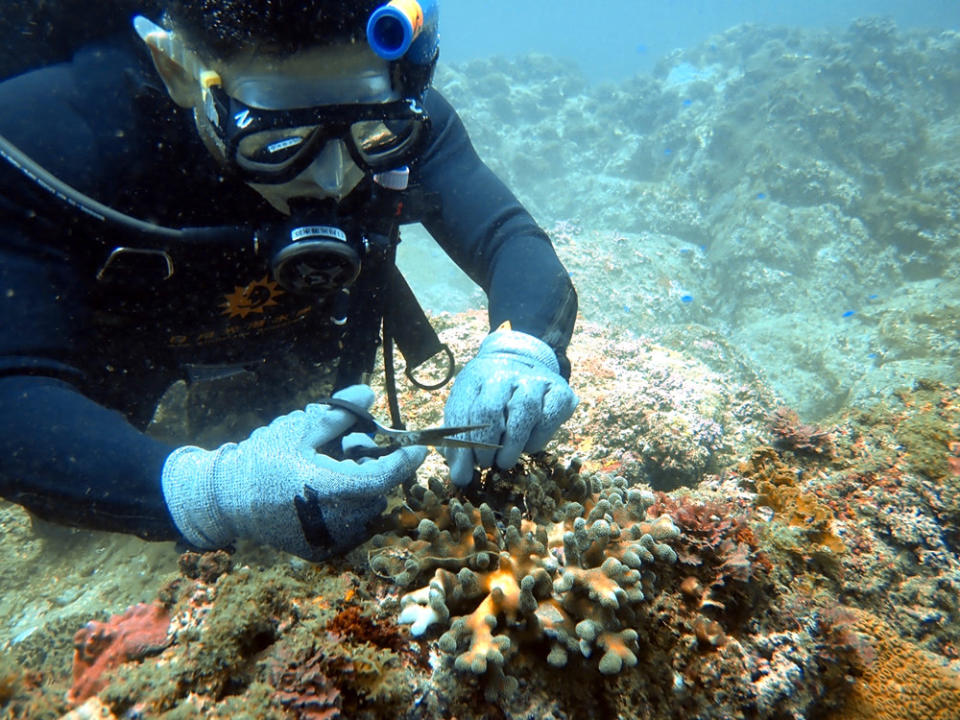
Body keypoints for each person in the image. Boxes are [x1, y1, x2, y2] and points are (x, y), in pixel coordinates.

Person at [0, 0, 578, 562]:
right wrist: (209, 492)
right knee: (69, 521)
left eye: (370, 133)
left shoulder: (401, 115)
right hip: (125, 363)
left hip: (299, 351)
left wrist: (520, 349)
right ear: (179, 71)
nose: (332, 178)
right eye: (279, 141)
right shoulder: (45, 139)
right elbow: (12, 396)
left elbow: (509, 238)